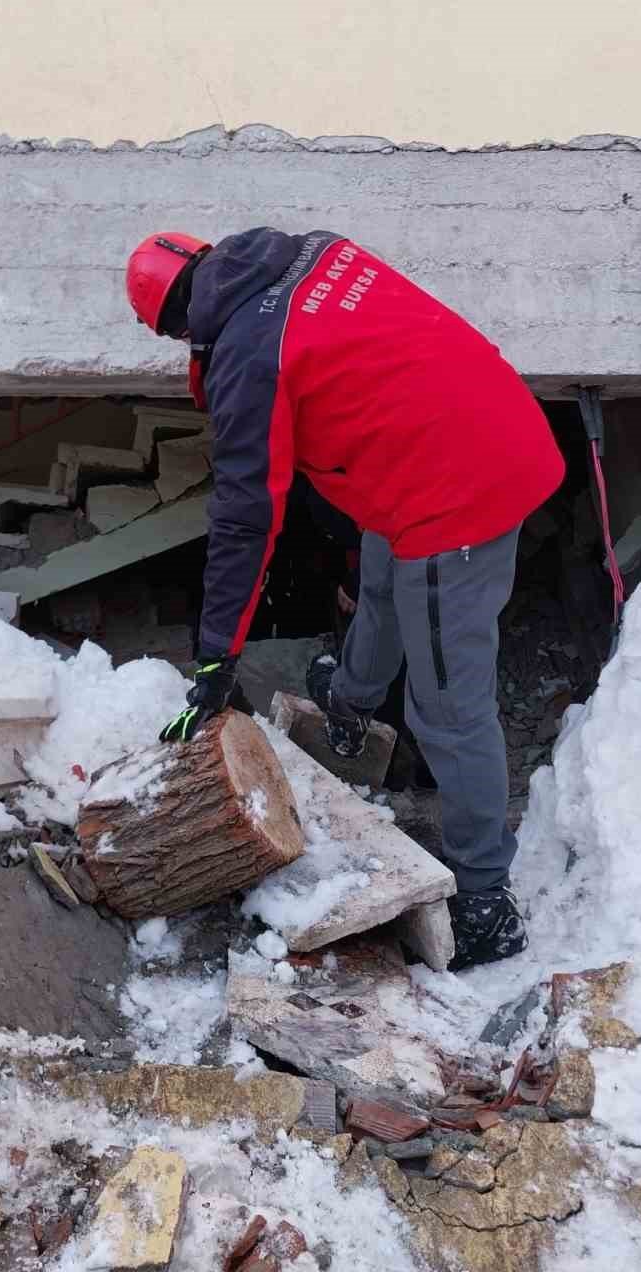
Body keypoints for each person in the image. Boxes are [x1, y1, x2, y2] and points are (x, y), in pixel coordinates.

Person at [124, 228, 564, 970]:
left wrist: (215, 659)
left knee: (448, 710)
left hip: (456, 500)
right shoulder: (313, 252)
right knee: (383, 572)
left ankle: (488, 901)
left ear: (176, 327)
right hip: (482, 429)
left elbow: (244, 515)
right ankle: (352, 704)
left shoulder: (249, 359)